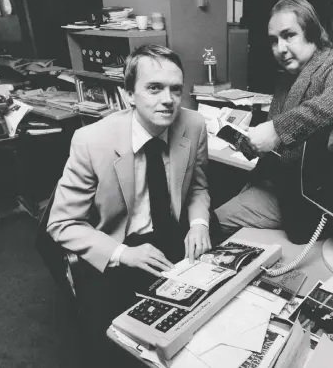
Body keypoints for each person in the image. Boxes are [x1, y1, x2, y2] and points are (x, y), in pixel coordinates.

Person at [47, 44, 214, 368]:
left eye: (175, 89)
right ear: (129, 95)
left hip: (174, 235)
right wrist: (123, 254)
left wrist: (199, 224)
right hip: (116, 245)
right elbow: (61, 224)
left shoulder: (193, 125)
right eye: (154, 88)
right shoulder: (91, 141)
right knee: (115, 346)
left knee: (204, 323)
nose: (168, 99)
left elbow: (198, 187)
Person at [215, 0, 333, 243]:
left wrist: (277, 129)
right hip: (269, 182)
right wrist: (253, 144)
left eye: (289, 35)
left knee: (213, 224)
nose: (280, 48)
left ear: (311, 32)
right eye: (273, 41)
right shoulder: (287, 77)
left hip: (300, 202)